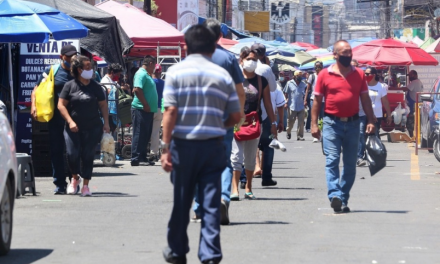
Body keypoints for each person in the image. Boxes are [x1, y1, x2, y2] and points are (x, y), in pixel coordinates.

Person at [160, 24, 241, 264]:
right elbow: (236, 116)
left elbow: (170, 111)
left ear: (186, 46)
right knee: (211, 202)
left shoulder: (175, 72)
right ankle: (210, 254)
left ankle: (177, 250)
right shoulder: (222, 75)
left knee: (182, 200)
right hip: (213, 146)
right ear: (213, 45)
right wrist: (217, 123)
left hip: (183, 146)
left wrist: (165, 148)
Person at [191, 18, 246, 225]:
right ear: (220, 36)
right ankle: (223, 197)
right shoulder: (228, 59)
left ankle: (198, 208)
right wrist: (239, 114)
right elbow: (240, 91)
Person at [311, 40, 376, 214]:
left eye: (349, 52)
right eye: (344, 53)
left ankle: (342, 198)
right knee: (331, 160)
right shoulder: (324, 75)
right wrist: (314, 124)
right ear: (335, 54)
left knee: (350, 165)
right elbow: (317, 101)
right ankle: (334, 194)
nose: (348, 55)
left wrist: (371, 120)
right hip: (332, 124)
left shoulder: (360, 75)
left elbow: (365, 100)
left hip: (354, 124)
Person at [57, 55, 110, 196]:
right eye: (87, 67)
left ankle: (86, 185)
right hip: (72, 126)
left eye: (91, 67)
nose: (91, 70)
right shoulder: (69, 86)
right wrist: (70, 121)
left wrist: (106, 123)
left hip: (93, 126)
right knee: (72, 153)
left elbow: (103, 105)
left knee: (88, 155)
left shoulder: (96, 87)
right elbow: (61, 105)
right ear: (79, 70)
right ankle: (75, 178)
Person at [230, 47, 277, 201]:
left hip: (254, 121)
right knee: (236, 156)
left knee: (250, 157)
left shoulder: (261, 80)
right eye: (249, 59)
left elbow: (268, 104)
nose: (252, 62)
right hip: (236, 121)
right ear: (241, 60)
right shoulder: (234, 79)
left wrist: (273, 122)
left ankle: (249, 187)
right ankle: (235, 189)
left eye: (255, 59)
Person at [31, 44, 77, 194]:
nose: (72, 58)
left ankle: (74, 180)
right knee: (57, 150)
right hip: (56, 118)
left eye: (74, 55)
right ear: (61, 57)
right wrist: (34, 106)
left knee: (73, 151)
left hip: (75, 118)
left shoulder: (79, 71)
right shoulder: (52, 71)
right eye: (68, 56)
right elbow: (36, 89)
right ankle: (60, 184)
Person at [357, 67, 392, 167]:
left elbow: (385, 101)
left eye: (368, 74)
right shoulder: (362, 85)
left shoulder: (381, 87)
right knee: (361, 134)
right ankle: (360, 157)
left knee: (374, 136)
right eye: (365, 74)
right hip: (363, 114)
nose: (366, 76)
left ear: (374, 75)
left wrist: (389, 115)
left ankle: (374, 157)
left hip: (377, 115)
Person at [254, 86, 285, 186]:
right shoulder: (275, 87)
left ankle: (248, 175)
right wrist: (280, 122)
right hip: (268, 120)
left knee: (251, 145)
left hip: (251, 120)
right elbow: (280, 105)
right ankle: (266, 176)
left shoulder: (248, 83)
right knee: (269, 146)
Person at [131, 55, 158, 166]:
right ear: (150, 63)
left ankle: (142, 156)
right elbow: (137, 89)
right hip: (141, 108)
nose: (155, 69)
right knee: (139, 132)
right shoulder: (140, 73)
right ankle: (135, 157)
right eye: (154, 65)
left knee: (145, 134)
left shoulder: (146, 74)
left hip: (147, 110)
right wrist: (145, 104)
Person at [284, 70, 307, 141]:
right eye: (298, 76)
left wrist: (305, 101)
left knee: (301, 122)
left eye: (300, 76)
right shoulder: (289, 83)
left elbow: (306, 94)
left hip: (301, 106)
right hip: (292, 106)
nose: (299, 77)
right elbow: (286, 93)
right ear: (294, 76)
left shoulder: (303, 84)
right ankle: (288, 131)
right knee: (290, 121)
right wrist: (285, 102)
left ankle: (300, 136)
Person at [100, 63, 123, 134]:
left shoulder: (113, 80)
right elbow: (109, 91)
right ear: (112, 72)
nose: (119, 76)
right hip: (108, 110)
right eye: (118, 74)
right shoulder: (105, 80)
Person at [304, 61, 324, 143]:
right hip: (313, 99)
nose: (317, 68)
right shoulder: (312, 76)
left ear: (322, 67)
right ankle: (315, 135)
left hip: (324, 100)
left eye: (319, 66)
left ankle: (322, 134)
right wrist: (305, 100)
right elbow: (308, 89)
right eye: (316, 66)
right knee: (314, 117)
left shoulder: (324, 75)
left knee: (322, 118)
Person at [149, 64, 165, 162]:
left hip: (149, 108)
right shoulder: (163, 83)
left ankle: (143, 151)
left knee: (146, 131)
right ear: (160, 72)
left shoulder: (150, 81)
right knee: (155, 132)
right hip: (159, 108)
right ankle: (153, 153)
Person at [402, 70, 423, 138]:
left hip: (414, 104)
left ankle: (412, 136)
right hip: (417, 103)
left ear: (415, 75)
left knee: (410, 121)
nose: (409, 77)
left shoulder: (414, 82)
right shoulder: (419, 82)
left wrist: (394, 88)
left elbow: (405, 89)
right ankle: (416, 137)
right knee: (416, 121)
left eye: (411, 75)